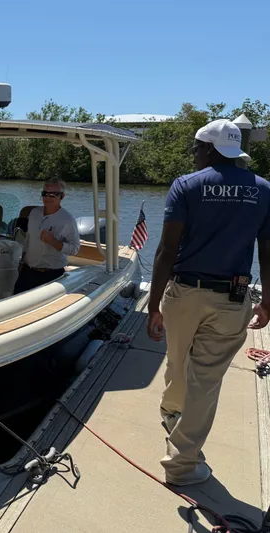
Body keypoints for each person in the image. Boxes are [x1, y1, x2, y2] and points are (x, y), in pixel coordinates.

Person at [147, 118, 270, 486]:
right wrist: (268, 302)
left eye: (197, 149)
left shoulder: (186, 185)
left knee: (178, 362)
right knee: (205, 382)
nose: (195, 156)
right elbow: (267, 251)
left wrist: (153, 306)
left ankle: (173, 418)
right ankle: (182, 462)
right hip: (232, 298)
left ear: (210, 149)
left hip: (183, 293)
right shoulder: (263, 190)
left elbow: (167, 249)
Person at [13, 177, 80, 294]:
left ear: (62, 196)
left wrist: (52, 241)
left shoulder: (67, 220)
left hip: (52, 275)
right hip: (27, 272)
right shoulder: (34, 213)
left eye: (53, 194)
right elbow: (28, 240)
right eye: (45, 193)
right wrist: (22, 263)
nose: (48, 198)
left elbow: (74, 249)